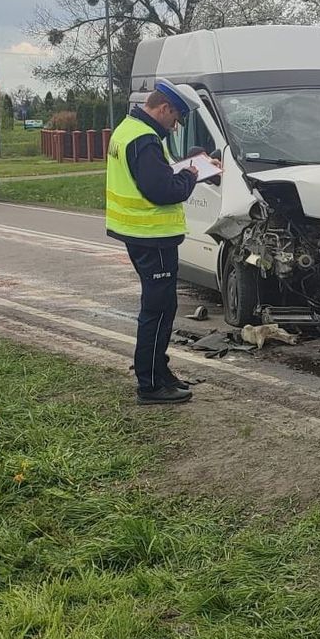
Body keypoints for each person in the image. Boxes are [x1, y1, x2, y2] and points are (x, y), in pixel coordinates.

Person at [105, 81, 218, 404]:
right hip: (150, 236)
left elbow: (155, 176)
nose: (176, 124)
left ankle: (159, 371)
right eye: (177, 117)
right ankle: (151, 384)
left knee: (163, 307)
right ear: (164, 108)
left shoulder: (131, 129)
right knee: (157, 310)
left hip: (142, 235)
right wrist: (194, 173)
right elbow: (164, 190)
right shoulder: (144, 138)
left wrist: (187, 166)